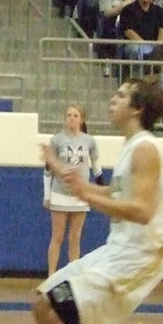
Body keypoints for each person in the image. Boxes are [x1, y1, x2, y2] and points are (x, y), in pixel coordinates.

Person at [30, 77, 163, 324]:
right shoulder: (130, 147)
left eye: (121, 96)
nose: (112, 100)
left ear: (137, 109)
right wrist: (81, 184)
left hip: (143, 253)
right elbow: (114, 192)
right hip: (119, 246)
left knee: (61, 305)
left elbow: (141, 210)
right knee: (43, 300)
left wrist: (87, 197)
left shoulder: (145, 149)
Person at [42, 104, 101, 278]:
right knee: (57, 237)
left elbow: (96, 167)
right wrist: (47, 196)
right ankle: (51, 275)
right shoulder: (56, 140)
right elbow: (47, 170)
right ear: (64, 118)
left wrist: (98, 189)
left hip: (80, 195)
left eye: (75, 115)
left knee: (75, 238)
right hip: (60, 194)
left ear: (81, 119)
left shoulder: (88, 141)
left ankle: (73, 275)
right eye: (69, 115)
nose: (72, 118)